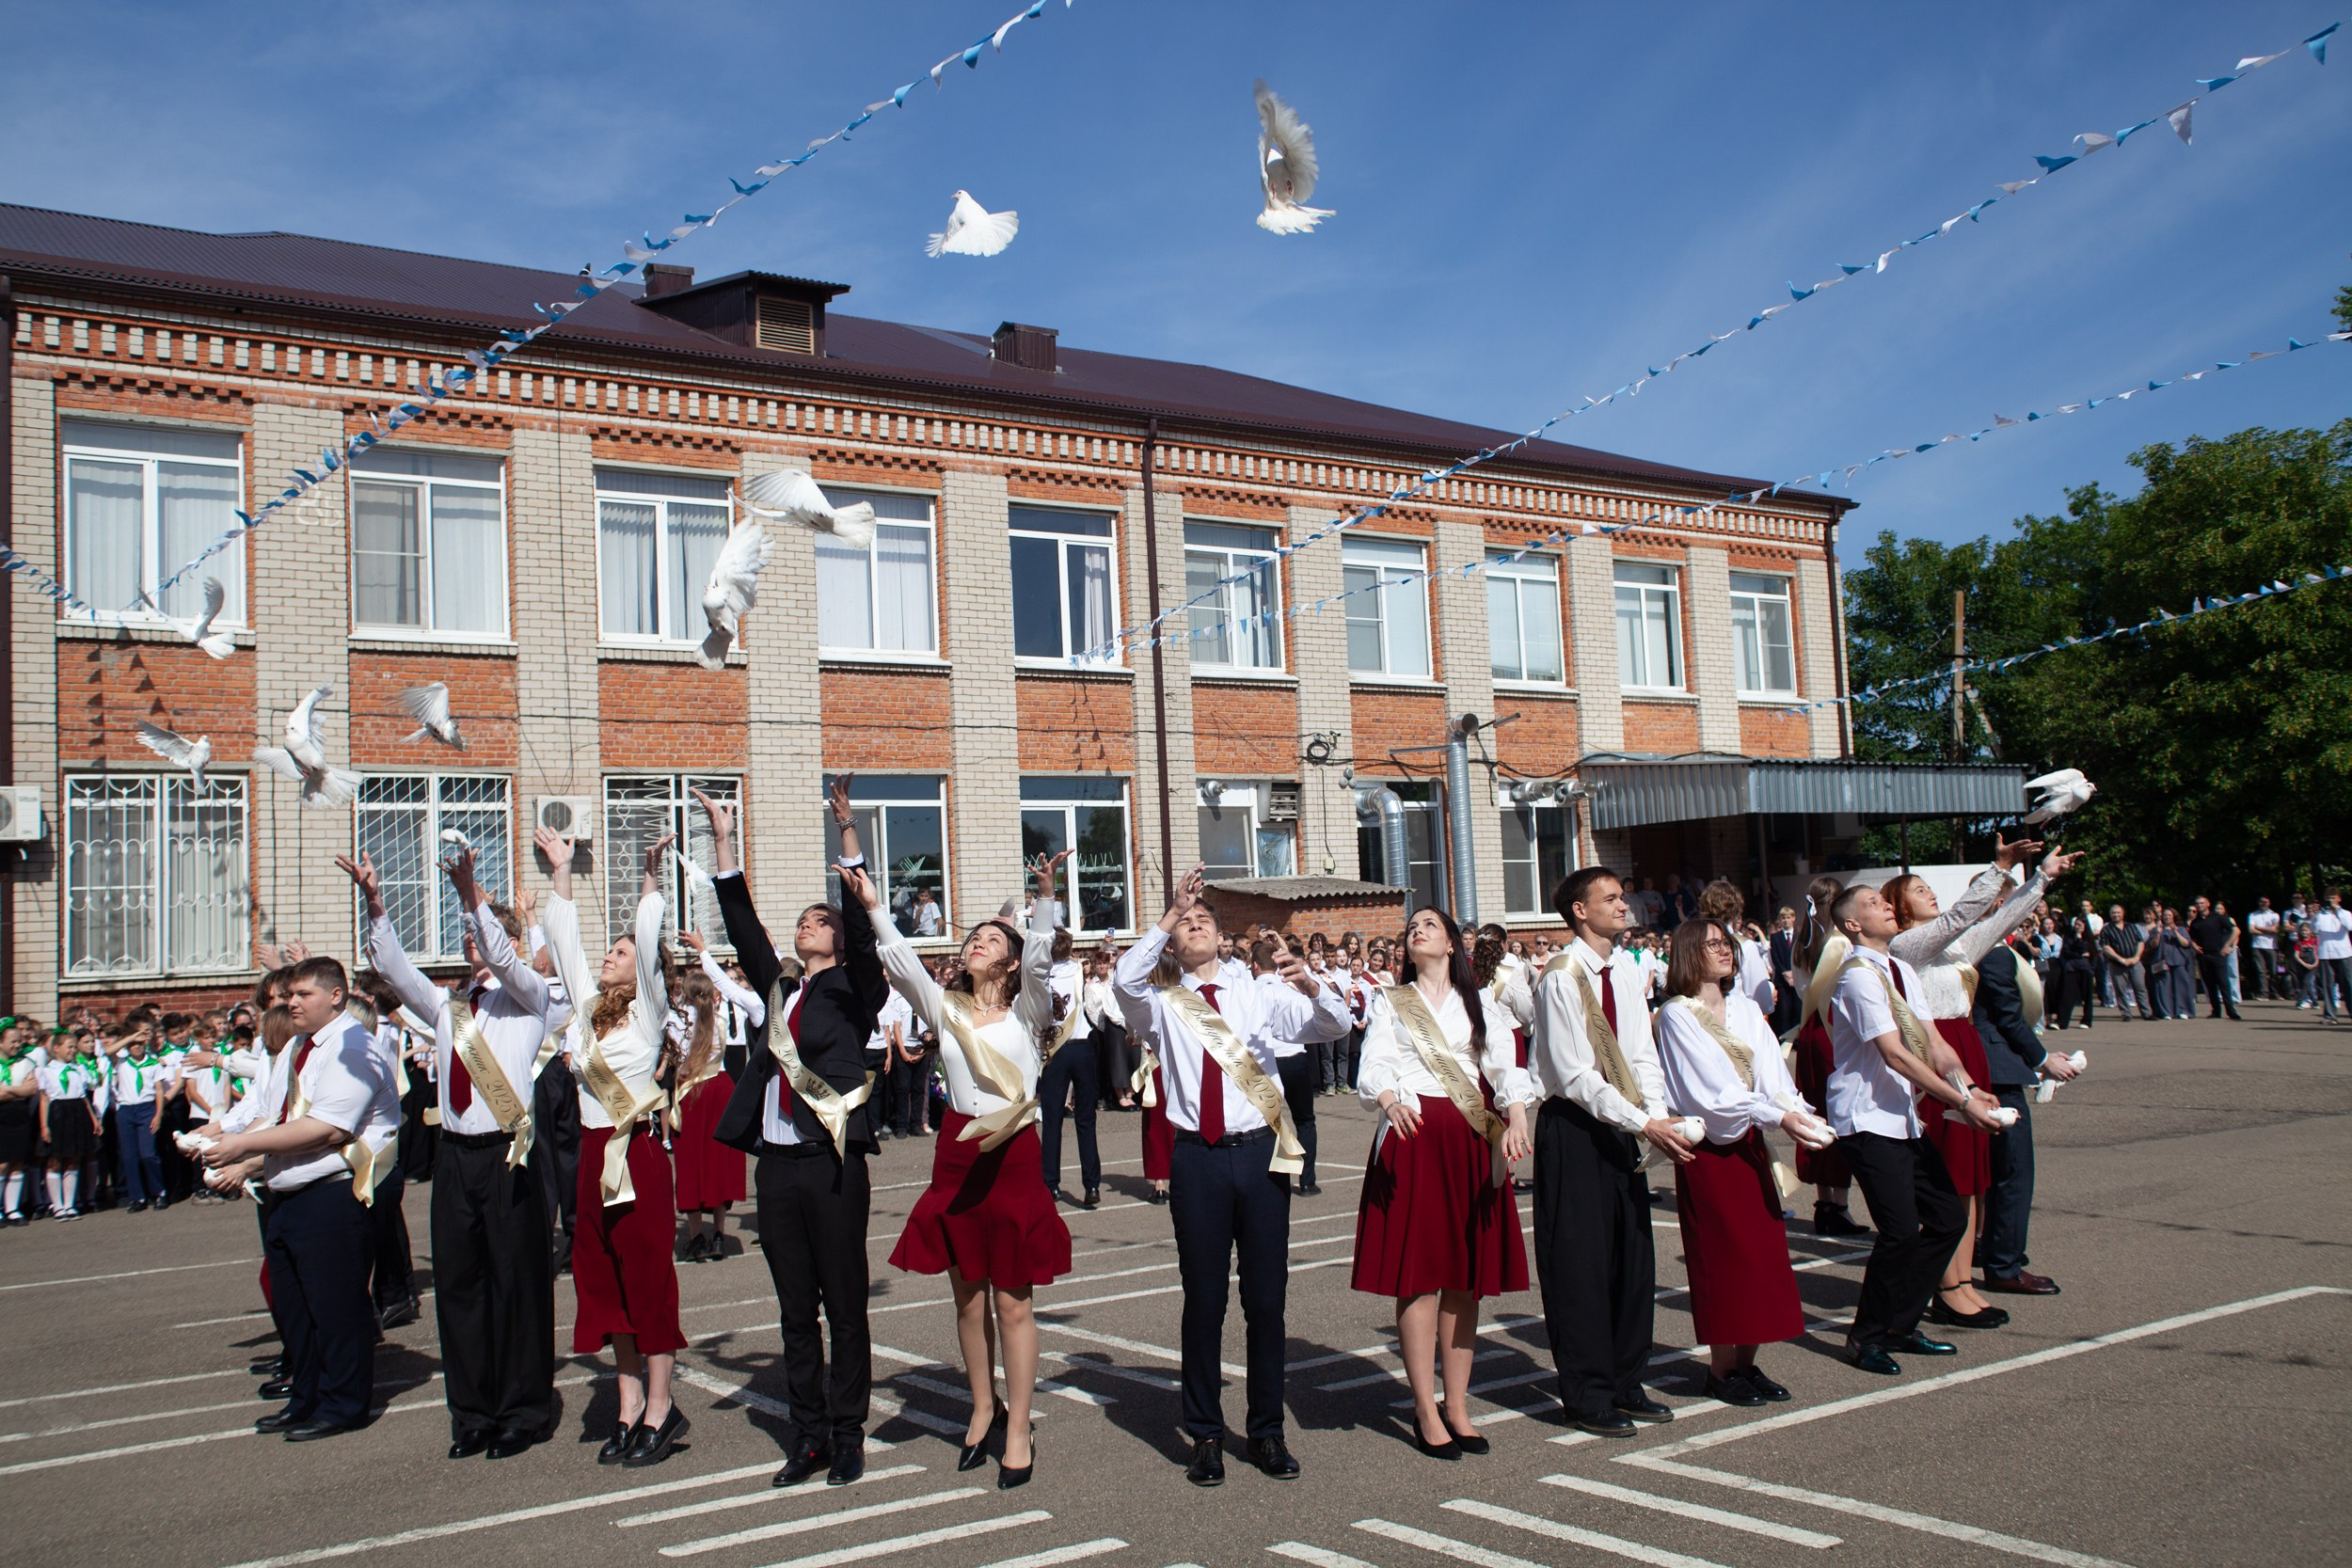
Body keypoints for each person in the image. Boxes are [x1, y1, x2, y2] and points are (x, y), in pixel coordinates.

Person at [1114, 864, 1349, 1486]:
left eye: (1202, 920)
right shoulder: (1163, 1001)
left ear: (1222, 936)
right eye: (1185, 923)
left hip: (1260, 1152)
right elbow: (1123, 978)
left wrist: (1313, 985)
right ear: (1174, 940)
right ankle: (1206, 1434)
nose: (1194, 925)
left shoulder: (1260, 990)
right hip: (1198, 1156)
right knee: (1205, 1299)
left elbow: (1334, 1027)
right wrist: (1167, 912)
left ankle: (1267, 1430)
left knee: (1266, 1299)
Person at [870, 848, 1073, 1491]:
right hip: (956, 1154)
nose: (977, 943)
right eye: (972, 938)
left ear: (1010, 959)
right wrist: (875, 903)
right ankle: (983, 1404)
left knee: (1013, 1301)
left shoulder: (1027, 1010)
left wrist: (1044, 899)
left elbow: (1041, 962)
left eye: (991, 937)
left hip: (1011, 1159)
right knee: (967, 1298)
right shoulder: (944, 1008)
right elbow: (901, 961)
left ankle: (1019, 1425)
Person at [702, 784, 886, 1490]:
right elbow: (741, 920)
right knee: (793, 1311)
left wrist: (846, 831)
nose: (805, 926)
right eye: (804, 920)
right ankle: (805, 1435)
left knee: (843, 1305)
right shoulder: (780, 993)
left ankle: (847, 1434)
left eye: (817, 920)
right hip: (777, 1167)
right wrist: (724, 841)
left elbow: (865, 936)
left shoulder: (853, 990)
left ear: (834, 938)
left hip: (832, 1162)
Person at [352, 844, 561, 1459]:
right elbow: (392, 968)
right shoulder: (450, 1007)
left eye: (481, 931)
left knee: (516, 1281)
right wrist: (374, 903)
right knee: (463, 1284)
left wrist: (472, 894)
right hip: (458, 1157)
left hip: (509, 1154)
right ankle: (472, 1411)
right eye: (467, 933)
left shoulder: (532, 997)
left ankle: (523, 1407)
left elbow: (503, 953)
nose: (472, 941)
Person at [1352, 906, 1534, 1456]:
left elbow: (1503, 1065)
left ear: (1453, 943)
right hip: (1415, 1140)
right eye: (1413, 928)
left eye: (1430, 925)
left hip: (1470, 1142)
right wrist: (1386, 1099)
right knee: (1421, 1275)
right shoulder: (1392, 1001)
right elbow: (1374, 1063)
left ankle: (1458, 1405)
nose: (1418, 931)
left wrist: (1517, 1114)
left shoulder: (1478, 1002)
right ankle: (1425, 1407)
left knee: (1463, 1277)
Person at [538, 824, 690, 1468]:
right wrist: (561, 871)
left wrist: (650, 880)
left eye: (621, 951)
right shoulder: (584, 1012)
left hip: (639, 1157)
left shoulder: (650, 1010)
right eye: (613, 949)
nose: (611, 955)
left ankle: (661, 1405)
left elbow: (651, 940)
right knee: (603, 1282)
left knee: (648, 1279)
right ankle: (626, 1400)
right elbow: (564, 940)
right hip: (591, 1160)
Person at [200, 958, 400, 1441]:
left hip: (331, 1193)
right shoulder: (297, 1046)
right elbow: (274, 1115)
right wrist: (234, 1157)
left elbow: (328, 1127)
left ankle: (343, 1404)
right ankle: (306, 1396)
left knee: (335, 1310)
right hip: (287, 1192)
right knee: (296, 1309)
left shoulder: (355, 1046)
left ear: (335, 995)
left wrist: (243, 1148)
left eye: (302, 994)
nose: (291, 1002)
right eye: (289, 994)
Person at [1527, 867, 1692, 1435]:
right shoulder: (1560, 977)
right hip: (1575, 1129)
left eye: (1623, 896)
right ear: (1579, 909)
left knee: (1631, 1258)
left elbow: (1642, 1053)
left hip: (1625, 1125)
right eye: (1612, 898)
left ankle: (1627, 1379)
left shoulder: (1623, 971)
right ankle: (1587, 1392)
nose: (1624, 906)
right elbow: (1573, 1074)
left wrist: (1657, 1114)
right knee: (1580, 1265)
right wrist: (1644, 1120)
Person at [1884, 840, 2067, 1331]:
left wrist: (2041, 879)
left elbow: (1997, 923)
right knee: (1948, 1178)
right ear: (1900, 910)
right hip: (1937, 1053)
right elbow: (1960, 920)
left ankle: (1962, 1282)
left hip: (1969, 1054)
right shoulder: (1906, 948)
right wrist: (1999, 868)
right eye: (1919, 891)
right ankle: (1946, 1286)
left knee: (1971, 1180)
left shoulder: (1953, 949)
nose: (1931, 895)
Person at [1822, 884, 2002, 1376]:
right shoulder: (1857, 978)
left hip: (1901, 1117)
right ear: (1853, 924)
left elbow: (1935, 1044)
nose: (1887, 906)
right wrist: (1960, 1102)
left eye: (1886, 902)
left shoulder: (1900, 969)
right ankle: (1866, 1337)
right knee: (1900, 1231)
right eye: (1874, 904)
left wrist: (1968, 1088)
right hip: (1866, 1119)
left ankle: (1900, 1325)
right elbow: (1895, 1054)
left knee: (1946, 1216)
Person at [1655, 917, 1830, 1405]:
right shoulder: (1677, 1016)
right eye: (1712, 944)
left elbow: (1773, 1074)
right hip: (1710, 1148)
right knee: (1721, 1258)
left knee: (1762, 1257)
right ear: (1690, 953)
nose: (1724, 951)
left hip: (1752, 1140)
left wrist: (1797, 1113)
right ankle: (1721, 1368)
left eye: (1726, 943)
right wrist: (1777, 1115)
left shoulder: (1747, 1008)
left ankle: (1748, 1364)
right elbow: (1710, 1093)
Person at [1974, 925, 2081, 1296]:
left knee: (1989, 1173)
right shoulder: (1995, 951)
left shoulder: (1987, 947)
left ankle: (1992, 1249)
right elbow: (2007, 1016)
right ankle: (2004, 1263)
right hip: (1995, 1067)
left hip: (1985, 1062)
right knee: (2013, 1172)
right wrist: (2042, 1060)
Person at [1788, 875, 1865, 1238]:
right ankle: (1839, 1204)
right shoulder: (1839, 944)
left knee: (1817, 1109)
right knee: (1839, 1112)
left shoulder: (1801, 942)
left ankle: (1825, 1202)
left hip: (1810, 1032)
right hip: (1833, 1032)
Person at [668, 949, 750, 1261]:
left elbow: (679, 1062)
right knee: (718, 1163)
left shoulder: (678, 1023)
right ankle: (717, 1234)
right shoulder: (718, 1018)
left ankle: (696, 1237)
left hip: (692, 1092)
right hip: (720, 1088)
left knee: (691, 1164)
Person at [1039, 927, 1102, 1210]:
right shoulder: (1078, 968)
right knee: (1085, 1120)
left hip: (1055, 1048)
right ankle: (1092, 1184)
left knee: (1052, 1120)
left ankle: (1050, 1183)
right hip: (1082, 1045)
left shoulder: (1040, 973)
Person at [37, 1031, 102, 1220]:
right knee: (55, 1160)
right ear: (56, 1048)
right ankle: (57, 1205)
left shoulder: (79, 1069)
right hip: (57, 1114)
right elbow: (44, 1100)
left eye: (74, 1047)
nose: (73, 1051)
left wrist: (94, 1119)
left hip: (77, 1113)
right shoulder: (46, 1071)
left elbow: (84, 1098)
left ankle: (69, 1204)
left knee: (74, 1158)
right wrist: (44, 1126)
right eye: (69, 1047)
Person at [2186, 897, 2243, 1022]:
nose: (2200, 905)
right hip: (2203, 956)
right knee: (2210, 985)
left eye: (2202, 903)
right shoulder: (2195, 922)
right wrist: (2194, 945)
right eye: (2197, 904)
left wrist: (2228, 946)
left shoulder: (2218, 918)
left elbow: (2236, 930)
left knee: (2223, 983)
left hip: (2217, 955)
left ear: (2208, 904)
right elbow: (2193, 939)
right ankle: (2216, 1011)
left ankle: (2231, 1011)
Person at [2099, 906, 2152, 1021]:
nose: (2116, 915)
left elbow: (2140, 942)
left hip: (2135, 962)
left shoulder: (2132, 927)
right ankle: (2126, 1014)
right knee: (2120, 990)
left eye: (2118, 912)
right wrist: (2120, 959)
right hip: (2117, 965)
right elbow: (2106, 947)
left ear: (2123, 914)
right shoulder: (2106, 930)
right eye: (2113, 913)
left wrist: (2137, 957)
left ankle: (2146, 1013)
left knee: (2140, 988)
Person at [2313, 889, 2352, 1022]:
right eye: (2328, 897)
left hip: (2343, 953)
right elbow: (2314, 930)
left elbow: (2349, 926)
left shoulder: (2346, 913)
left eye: (2333, 897)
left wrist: (2337, 911)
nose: (2330, 900)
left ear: (2339, 899)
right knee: (2328, 986)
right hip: (2326, 954)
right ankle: (2330, 1015)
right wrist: (2315, 915)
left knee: (2349, 984)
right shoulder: (2321, 915)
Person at [2245, 897, 2281, 1000]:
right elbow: (2251, 930)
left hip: (2271, 946)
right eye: (2261, 902)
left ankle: (2274, 992)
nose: (2263, 904)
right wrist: (2267, 931)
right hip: (2257, 945)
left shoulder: (2274, 915)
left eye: (2265, 902)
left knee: (2273, 971)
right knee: (2261, 971)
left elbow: (2274, 930)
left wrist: (2258, 928)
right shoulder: (2253, 915)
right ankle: (2264, 993)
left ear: (2269, 903)